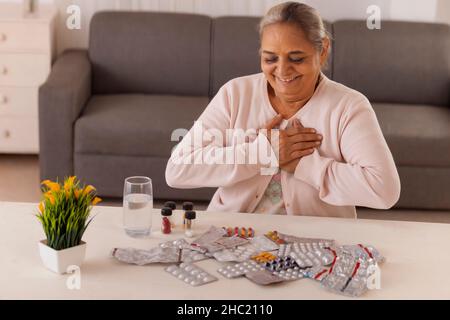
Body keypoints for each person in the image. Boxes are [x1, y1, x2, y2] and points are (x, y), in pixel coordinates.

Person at [165, 2, 401, 218]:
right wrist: (264, 152)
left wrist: (302, 165)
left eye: (296, 58)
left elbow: (384, 189)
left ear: (323, 51)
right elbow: (178, 169)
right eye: (270, 59)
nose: (282, 71)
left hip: (315, 243)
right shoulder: (235, 94)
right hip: (234, 234)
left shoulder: (349, 106)